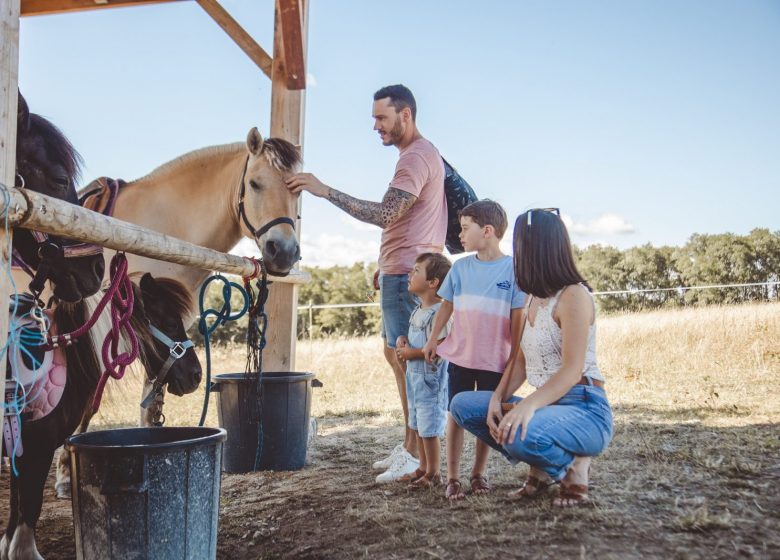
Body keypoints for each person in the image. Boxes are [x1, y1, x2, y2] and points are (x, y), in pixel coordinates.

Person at [286, 84, 447, 481]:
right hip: (400, 269)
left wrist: (324, 191)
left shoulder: (415, 158)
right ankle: (410, 446)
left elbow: (385, 213)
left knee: (409, 362)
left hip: (407, 273)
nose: (375, 126)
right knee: (396, 357)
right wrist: (388, 264)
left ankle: (415, 453)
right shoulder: (420, 155)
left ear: (405, 115)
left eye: (382, 118)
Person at [449, 208, 614, 507]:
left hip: (584, 407)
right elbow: (521, 362)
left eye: (519, 245)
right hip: (546, 404)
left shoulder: (573, 296)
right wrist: (498, 398)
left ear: (536, 249)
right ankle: (539, 468)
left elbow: (571, 370)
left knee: (517, 430)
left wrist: (525, 407)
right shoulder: (531, 298)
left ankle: (573, 469)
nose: (516, 253)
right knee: (462, 404)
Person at [422, 200, 525, 500]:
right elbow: (446, 306)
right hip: (461, 356)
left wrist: (514, 358)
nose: (460, 234)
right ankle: (452, 477)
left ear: (488, 231)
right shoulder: (460, 268)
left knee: (486, 417)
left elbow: (517, 320)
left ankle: (478, 473)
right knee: (456, 412)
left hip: (496, 360)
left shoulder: (514, 270)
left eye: (466, 228)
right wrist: (432, 340)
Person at [391, 253, 452, 487]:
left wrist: (410, 354)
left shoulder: (440, 312)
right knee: (416, 423)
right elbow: (419, 341)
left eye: (416, 270)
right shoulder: (418, 309)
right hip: (414, 378)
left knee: (429, 427)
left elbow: (439, 349)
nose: (409, 273)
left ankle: (434, 472)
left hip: (430, 381)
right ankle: (423, 467)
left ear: (433, 282)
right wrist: (404, 342)